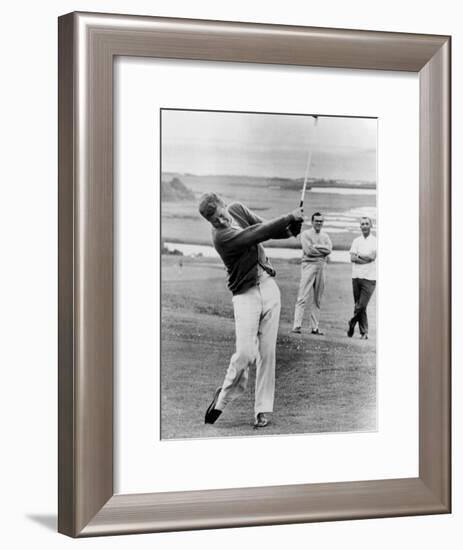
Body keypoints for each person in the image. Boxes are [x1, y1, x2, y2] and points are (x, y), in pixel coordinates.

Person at [198, 192, 303, 428]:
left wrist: (289, 230)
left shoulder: (237, 209)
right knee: (245, 354)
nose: (222, 221)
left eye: (222, 215)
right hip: (245, 295)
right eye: (216, 220)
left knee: (268, 353)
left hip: (268, 287)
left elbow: (263, 226)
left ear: (225, 205)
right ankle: (221, 399)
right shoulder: (222, 237)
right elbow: (255, 234)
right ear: (210, 223)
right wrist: (288, 216)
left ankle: (262, 410)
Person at [291, 212, 332, 335]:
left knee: (317, 299)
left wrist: (316, 246)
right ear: (312, 222)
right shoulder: (305, 234)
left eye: (321, 221)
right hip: (309, 266)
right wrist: (321, 251)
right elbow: (308, 251)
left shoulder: (325, 236)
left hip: (322, 267)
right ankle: (296, 326)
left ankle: (315, 328)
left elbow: (329, 250)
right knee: (302, 296)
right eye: (317, 221)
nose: (319, 223)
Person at [347, 217, 377, 339]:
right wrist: (364, 258)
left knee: (361, 305)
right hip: (356, 277)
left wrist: (359, 256)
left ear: (371, 226)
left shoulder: (376, 241)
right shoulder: (356, 241)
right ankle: (364, 333)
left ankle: (352, 322)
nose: (364, 226)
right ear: (360, 226)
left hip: (370, 278)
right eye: (362, 224)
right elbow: (352, 258)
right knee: (359, 306)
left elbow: (372, 257)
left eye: (366, 224)